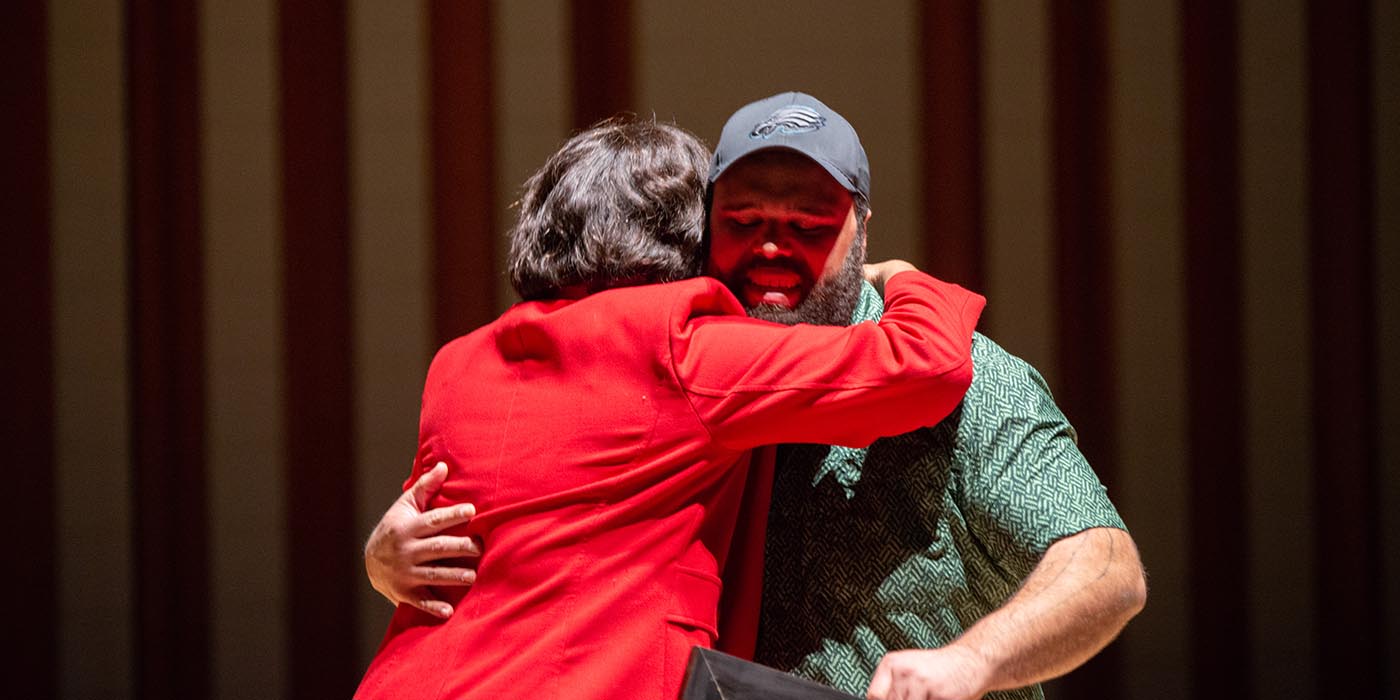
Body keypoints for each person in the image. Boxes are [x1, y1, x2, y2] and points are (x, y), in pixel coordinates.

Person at [364, 94, 1146, 700]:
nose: (773, 245)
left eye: (809, 224)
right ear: (698, 241)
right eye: (743, 220)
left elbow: (1108, 569)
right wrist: (383, 554)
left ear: (861, 230)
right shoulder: (688, 345)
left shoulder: (979, 380)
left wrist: (971, 660)